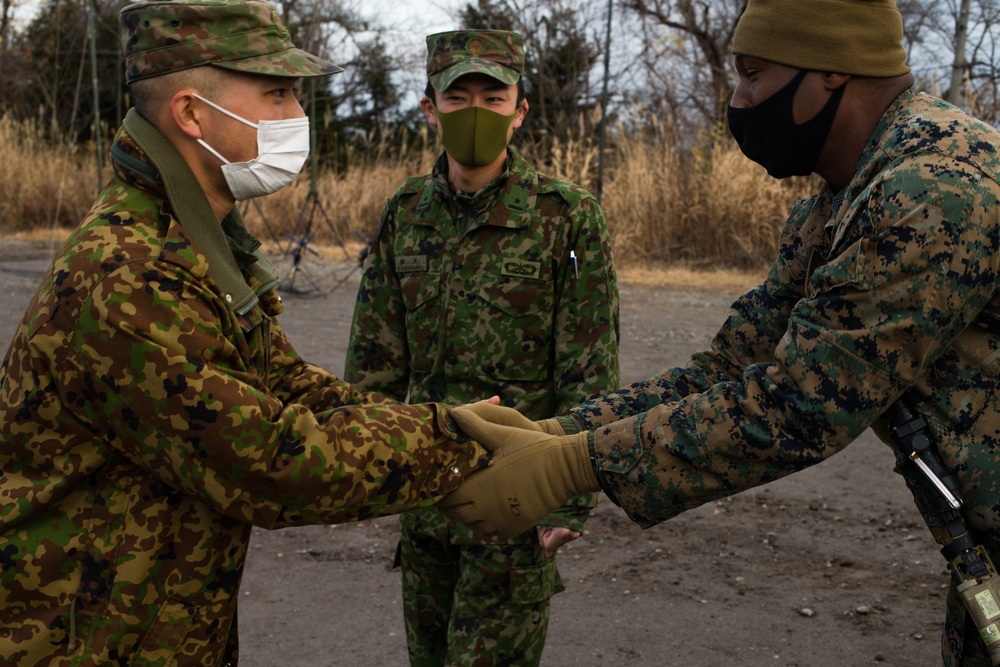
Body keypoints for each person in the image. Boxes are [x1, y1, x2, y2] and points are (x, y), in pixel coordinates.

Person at [436, 2, 1000, 665]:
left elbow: (802, 405)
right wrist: (558, 431)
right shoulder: (839, 202)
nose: (738, 100)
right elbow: (730, 367)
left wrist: (573, 465)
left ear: (830, 73)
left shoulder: (932, 186)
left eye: (753, 74)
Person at [0, 2, 493, 665]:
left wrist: (435, 427)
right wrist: (451, 447)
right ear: (191, 114)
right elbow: (271, 460)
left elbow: (281, 382)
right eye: (276, 92)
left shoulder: (192, 235)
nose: (297, 113)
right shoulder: (129, 275)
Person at [344, 29, 620, 667]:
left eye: (492, 98)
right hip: (424, 488)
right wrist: (360, 467)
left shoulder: (567, 215)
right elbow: (376, 353)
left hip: (516, 493)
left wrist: (572, 492)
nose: (475, 112)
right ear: (428, 107)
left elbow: (588, 361)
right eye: (457, 96)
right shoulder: (406, 210)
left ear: (519, 111)